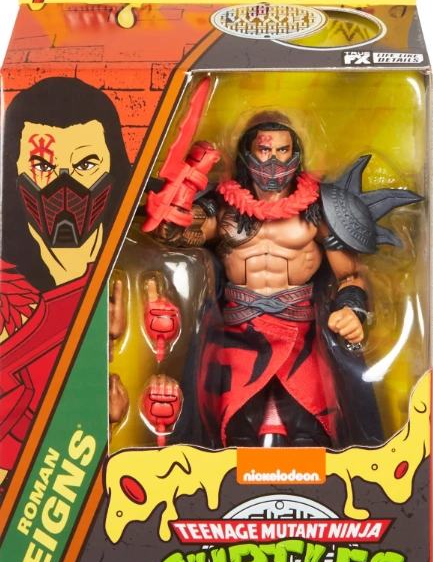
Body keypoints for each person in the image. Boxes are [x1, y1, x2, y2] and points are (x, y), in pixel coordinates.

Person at [144, 107, 421, 449]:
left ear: (295, 153)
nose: (273, 160)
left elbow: (350, 274)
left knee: (310, 426)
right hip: (237, 333)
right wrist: (172, 211)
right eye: (264, 149)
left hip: (300, 333)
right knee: (236, 427)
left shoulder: (320, 209)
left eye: (282, 150)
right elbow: (180, 234)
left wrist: (352, 310)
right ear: (247, 153)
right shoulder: (225, 207)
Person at [0, 77, 131, 488]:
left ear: (113, 164)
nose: (64, 188)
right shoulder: (7, 293)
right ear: (14, 168)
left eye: (85, 165)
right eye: (42, 166)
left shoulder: (139, 266)